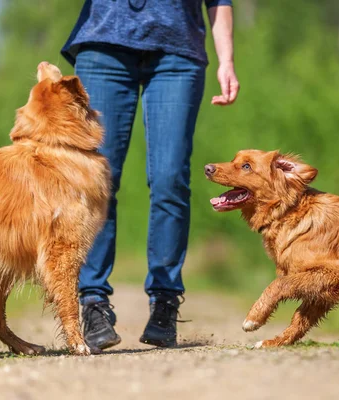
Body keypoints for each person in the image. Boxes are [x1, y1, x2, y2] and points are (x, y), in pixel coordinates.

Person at [61, 0, 239, 350]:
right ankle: (92, 300)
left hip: (178, 53)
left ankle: (165, 299)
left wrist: (227, 60)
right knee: (96, 181)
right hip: (103, 48)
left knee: (170, 177)